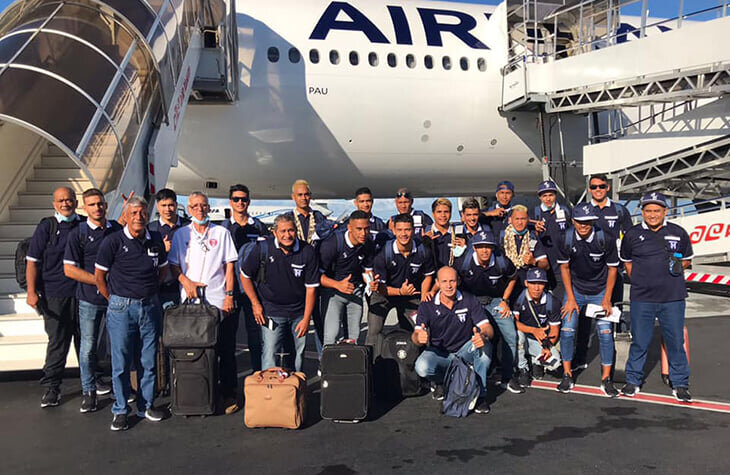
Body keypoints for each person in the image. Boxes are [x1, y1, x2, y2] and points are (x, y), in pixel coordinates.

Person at [95, 196, 168, 431]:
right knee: (121, 363)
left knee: (148, 360)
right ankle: (120, 410)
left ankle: (146, 406)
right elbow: (99, 277)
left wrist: (150, 291)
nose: (139, 217)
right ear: (125, 216)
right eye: (134, 213)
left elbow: (163, 270)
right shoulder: (113, 241)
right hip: (121, 308)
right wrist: (114, 299)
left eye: (143, 212)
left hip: (150, 306)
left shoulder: (155, 239)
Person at [168, 191, 239, 413]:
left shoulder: (222, 233)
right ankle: (201, 394)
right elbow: (174, 265)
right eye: (195, 206)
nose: (200, 209)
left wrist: (229, 295)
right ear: (189, 209)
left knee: (225, 349)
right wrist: (186, 282)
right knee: (197, 350)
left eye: (203, 205)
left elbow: (229, 266)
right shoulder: (181, 234)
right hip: (191, 303)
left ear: (209, 208)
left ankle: (228, 394)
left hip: (218, 301)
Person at [619, 192, 693, 402]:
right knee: (640, 341)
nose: (652, 215)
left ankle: (680, 384)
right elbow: (627, 261)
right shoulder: (632, 234)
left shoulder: (678, 232)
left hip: (672, 297)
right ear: (642, 212)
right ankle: (633, 381)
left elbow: (687, 259)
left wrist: (676, 267)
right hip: (642, 298)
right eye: (648, 211)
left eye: (657, 211)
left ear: (665, 211)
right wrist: (640, 279)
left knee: (675, 341)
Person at [63, 188, 121, 412]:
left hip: (116, 299)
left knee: (119, 346)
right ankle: (89, 391)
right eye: (92, 204)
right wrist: (99, 281)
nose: (97, 208)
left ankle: (120, 389)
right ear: (84, 207)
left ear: (105, 205)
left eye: (100, 203)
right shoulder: (77, 234)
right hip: (89, 299)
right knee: (88, 347)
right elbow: (69, 269)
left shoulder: (116, 229)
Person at [26, 186, 83, 408]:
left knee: (86, 342)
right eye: (61, 201)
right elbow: (32, 262)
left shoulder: (84, 224)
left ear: (76, 202)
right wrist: (31, 291)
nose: (65, 204)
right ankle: (52, 387)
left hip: (82, 293)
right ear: (54, 204)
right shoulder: (46, 227)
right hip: (55, 295)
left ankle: (92, 382)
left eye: (69, 200)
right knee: (58, 343)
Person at [239, 214, 320, 372]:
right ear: (275, 232)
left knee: (297, 354)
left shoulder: (307, 251)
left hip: (298, 313)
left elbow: (311, 288)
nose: (287, 235)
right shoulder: (262, 249)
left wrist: (306, 318)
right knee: (270, 352)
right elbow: (245, 276)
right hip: (272, 311)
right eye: (283, 231)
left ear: (296, 231)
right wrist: (255, 304)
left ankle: (295, 385)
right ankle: (270, 386)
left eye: (291, 230)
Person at [556, 204, 620, 397]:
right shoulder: (566, 239)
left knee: (605, 333)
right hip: (575, 289)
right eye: (579, 222)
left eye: (588, 222)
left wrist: (607, 299)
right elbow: (564, 268)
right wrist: (570, 298)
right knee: (567, 330)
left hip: (600, 291)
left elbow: (613, 269)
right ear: (573, 221)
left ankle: (606, 379)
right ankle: (567, 374)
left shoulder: (605, 239)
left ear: (593, 221)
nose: (583, 225)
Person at [412, 266, 494, 414]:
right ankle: (443, 382)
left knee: (485, 348)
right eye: (444, 281)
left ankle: (480, 395)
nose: (449, 286)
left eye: (452, 281)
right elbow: (416, 335)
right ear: (437, 283)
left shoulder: (469, 300)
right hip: (441, 354)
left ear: (458, 281)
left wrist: (483, 336)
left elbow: (487, 328)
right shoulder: (427, 305)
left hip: (465, 351)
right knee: (422, 366)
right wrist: (419, 337)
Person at [453, 230, 522, 393]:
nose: (484, 250)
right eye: (480, 246)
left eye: (488, 247)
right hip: (471, 301)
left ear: (493, 248)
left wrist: (505, 300)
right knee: (466, 336)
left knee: (510, 335)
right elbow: (451, 281)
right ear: (474, 248)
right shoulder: (463, 262)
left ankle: (507, 376)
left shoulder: (501, 261)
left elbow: (513, 277)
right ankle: (462, 375)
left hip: (495, 301)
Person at [367, 213, 435, 354]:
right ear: (393, 231)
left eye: (407, 230)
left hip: (410, 296)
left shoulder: (423, 251)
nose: (403, 234)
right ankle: (371, 364)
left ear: (413, 230)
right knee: (374, 331)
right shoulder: (383, 254)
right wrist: (399, 292)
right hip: (384, 295)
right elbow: (380, 288)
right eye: (400, 230)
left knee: (422, 330)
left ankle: (420, 363)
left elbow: (428, 275)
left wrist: (424, 295)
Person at [221, 184, 269, 372]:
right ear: (230, 202)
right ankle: (229, 382)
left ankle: (258, 375)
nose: (240, 202)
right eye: (236, 199)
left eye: (244, 199)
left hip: (253, 290)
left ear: (249, 201)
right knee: (228, 337)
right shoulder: (224, 228)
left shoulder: (259, 227)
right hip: (230, 290)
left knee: (256, 336)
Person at [319, 210, 376, 345]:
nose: (363, 233)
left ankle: (350, 359)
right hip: (333, 293)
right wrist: (337, 285)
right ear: (349, 228)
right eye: (359, 229)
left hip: (355, 291)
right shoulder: (332, 244)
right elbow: (316, 276)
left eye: (366, 229)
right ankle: (326, 360)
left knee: (353, 337)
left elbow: (367, 269)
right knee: (331, 336)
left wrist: (371, 282)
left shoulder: (368, 244)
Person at [287, 179, 330, 352]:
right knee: (296, 321)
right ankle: (293, 360)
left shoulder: (319, 218)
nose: (303, 198)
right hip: (294, 275)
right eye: (300, 195)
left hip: (315, 273)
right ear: (293, 197)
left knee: (320, 321)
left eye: (306, 194)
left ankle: (323, 357)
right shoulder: (288, 218)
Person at [512, 268, 562, 387]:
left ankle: (535, 361)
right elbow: (514, 323)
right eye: (533, 283)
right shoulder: (519, 298)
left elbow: (555, 330)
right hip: (524, 336)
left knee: (555, 363)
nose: (536, 288)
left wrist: (546, 347)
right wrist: (533, 330)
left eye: (540, 283)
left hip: (541, 340)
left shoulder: (553, 302)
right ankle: (523, 368)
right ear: (526, 283)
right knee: (518, 335)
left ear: (545, 285)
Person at [147, 188, 190, 308]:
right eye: (163, 205)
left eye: (170, 205)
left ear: (176, 205)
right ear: (157, 206)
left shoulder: (189, 227)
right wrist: (162, 249)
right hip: (160, 286)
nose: (167, 209)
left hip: (185, 285)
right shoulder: (150, 229)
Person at [531, 180, 571, 301]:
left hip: (561, 264)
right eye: (544, 196)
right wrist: (536, 231)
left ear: (555, 195)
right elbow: (531, 238)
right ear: (540, 197)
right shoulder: (535, 212)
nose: (548, 199)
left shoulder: (565, 211)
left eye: (551, 195)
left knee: (560, 299)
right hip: (543, 264)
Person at [499, 205, 549, 304]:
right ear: (510, 220)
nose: (520, 222)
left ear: (528, 220)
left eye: (523, 219)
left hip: (526, 287)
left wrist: (534, 262)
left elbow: (546, 265)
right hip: (506, 286)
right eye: (517, 219)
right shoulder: (502, 237)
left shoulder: (532, 237)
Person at [424, 198, 463, 268]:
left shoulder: (459, 233)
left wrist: (464, 248)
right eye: (439, 212)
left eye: (446, 212)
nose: (443, 215)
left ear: (450, 213)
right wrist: (424, 243)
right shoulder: (426, 233)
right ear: (433, 214)